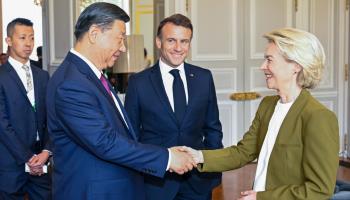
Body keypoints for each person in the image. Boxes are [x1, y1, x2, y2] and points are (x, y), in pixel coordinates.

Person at [46, 3, 195, 200]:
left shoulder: (89, 76)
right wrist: (167, 158)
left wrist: (164, 152)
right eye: (120, 39)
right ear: (94, 34)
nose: (123, 48)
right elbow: (105, 142)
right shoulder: (71, 84)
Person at [183, 28, 339, 200]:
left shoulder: (318, 117)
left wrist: (261, 197)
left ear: (295, 66)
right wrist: (198, 156)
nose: (262, 66)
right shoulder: (267, 105)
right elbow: (243, 152)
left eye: (269, 60)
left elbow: (320, 190)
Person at [125, 14, 223, 200]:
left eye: (184, 41)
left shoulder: (204, 78)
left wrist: (212, 170)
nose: (178, 48)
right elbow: (131, 136)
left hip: (197, 181)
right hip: (156, 182)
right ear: (158, 42)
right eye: (171, 40)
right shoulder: (139, 83)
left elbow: (213, 128)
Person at [0, 18, 51, 199]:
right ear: (9, 41)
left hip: (41, 159)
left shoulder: (43, 76)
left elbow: (52, 117)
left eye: (31, 38)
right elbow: (2, 125)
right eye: (22, 38)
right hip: (11, 162)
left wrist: (46, 151)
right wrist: (28, 157)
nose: (28, 43)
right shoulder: (1, 77)